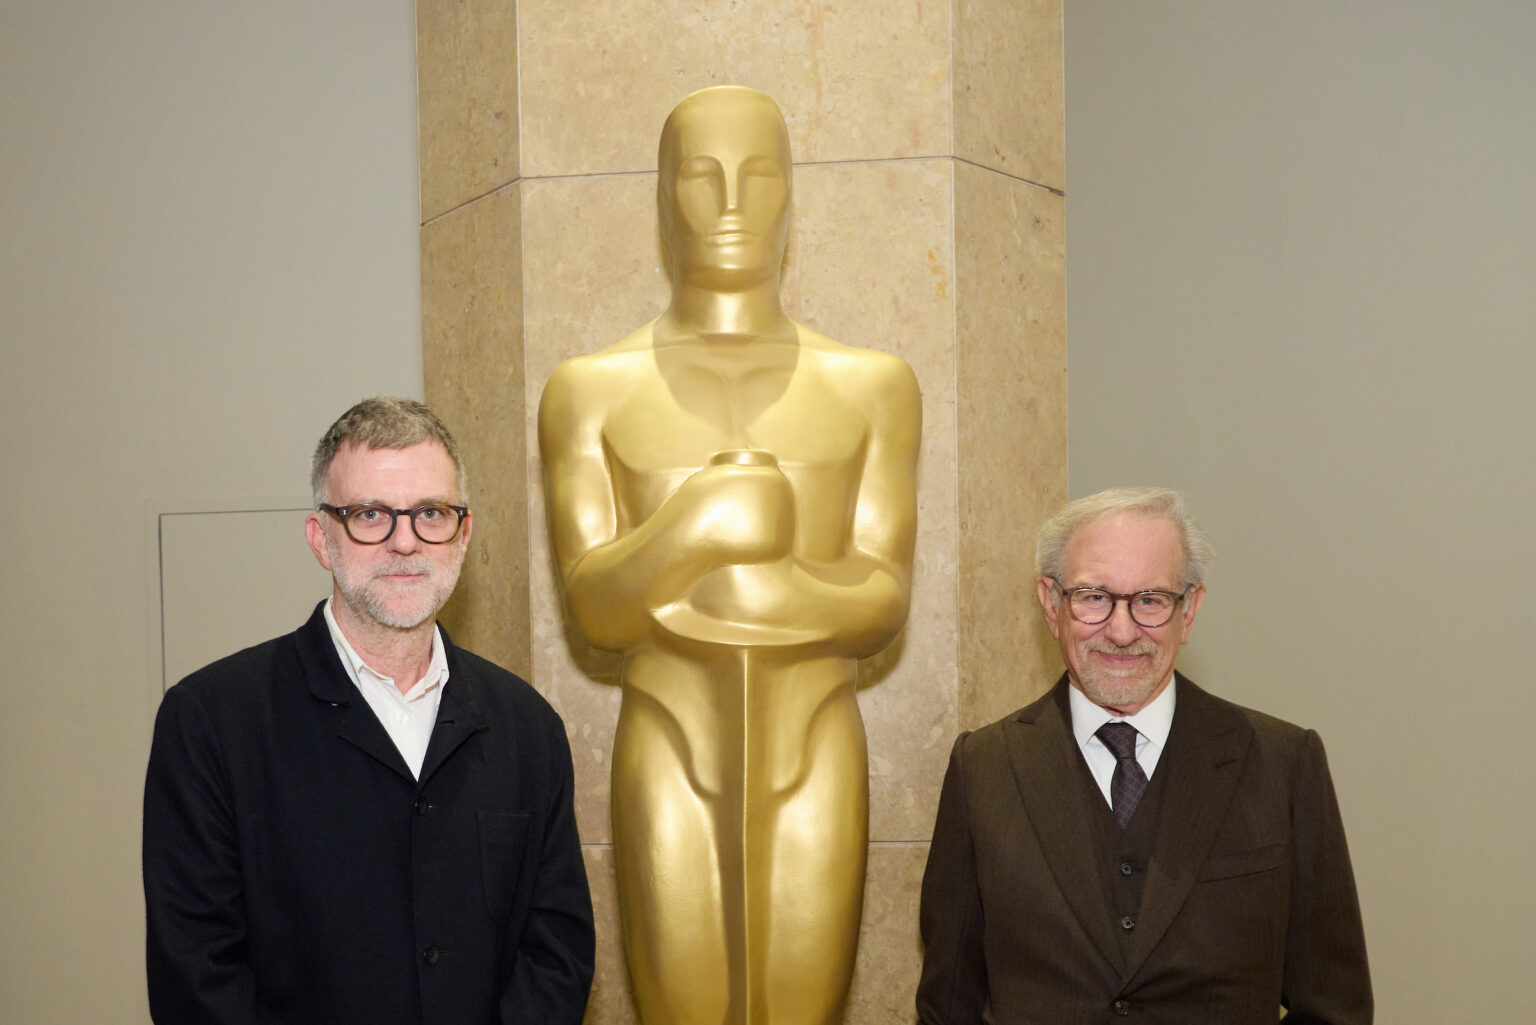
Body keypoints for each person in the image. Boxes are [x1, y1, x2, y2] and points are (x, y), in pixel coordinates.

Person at [538, 86, 921, 1025]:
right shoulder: (589, 391)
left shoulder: (871, 385)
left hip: (815, 730)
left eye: (758, 176)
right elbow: (594, 606)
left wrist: (724, 587)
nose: (733, 206)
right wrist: (698, 523)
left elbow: (883, 599)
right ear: (664, 197)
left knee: (807, 1006)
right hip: (669, 732)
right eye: (703, 178)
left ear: (793, 195)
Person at [143, 397, 594, 1025]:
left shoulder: (528, 727)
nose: (405, 541)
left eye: (430, 513)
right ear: (321, 539)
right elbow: (197, 975)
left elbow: (556, 956)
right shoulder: (212, 721)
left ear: (463, 534)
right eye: (370, 515)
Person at [916, 487, 1371, 1024]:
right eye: (1094, 596)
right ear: (1050, 603)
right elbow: (949, 1006)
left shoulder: (1283, 764)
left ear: (1190, 609)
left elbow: (1334, 1007)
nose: (1123, 630)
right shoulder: (983, 768)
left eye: (1150, 600)